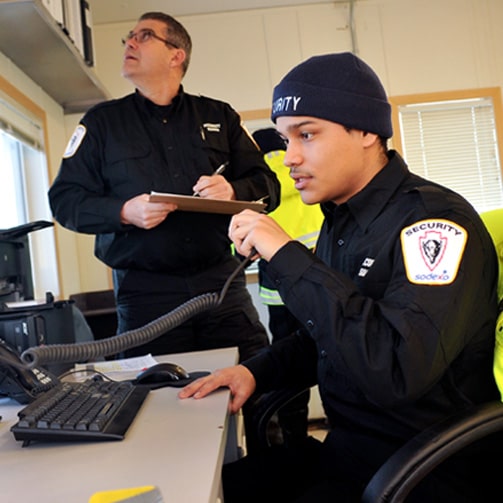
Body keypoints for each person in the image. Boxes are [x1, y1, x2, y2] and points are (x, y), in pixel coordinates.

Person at [179, 52, 500, 502]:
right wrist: (253, 372)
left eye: (307, 135)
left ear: (368, 131)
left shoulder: (433, 223)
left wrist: (287, 255)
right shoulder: (340, 220)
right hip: (350, 456)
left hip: (419, 473)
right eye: (286, 138)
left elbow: (393, 369)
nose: (288, 158)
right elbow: (326, 336)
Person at [48, 12, 280, 365]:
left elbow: (269, 187)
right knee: (156, 401)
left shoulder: (220, 116)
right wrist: (124, 212)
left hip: (219, 285)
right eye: (129, 36)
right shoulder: (101, 124)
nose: (130, 42)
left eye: (144, 36)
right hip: (145, 295)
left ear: (176, 55)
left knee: (255, 382)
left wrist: (232, 191)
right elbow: (65, 201)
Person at [252, 127, 324, 446]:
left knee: (289, 365)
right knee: (331, 357)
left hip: (279, 295)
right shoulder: (308, 174)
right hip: (318, 287)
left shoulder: (258, 185)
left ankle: (293, 436)